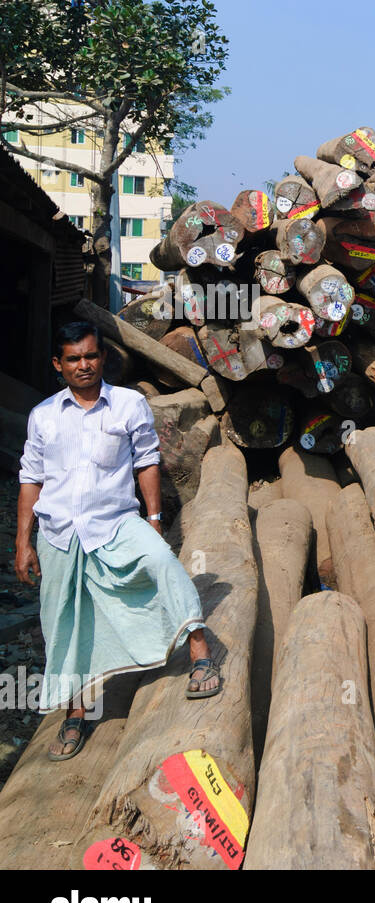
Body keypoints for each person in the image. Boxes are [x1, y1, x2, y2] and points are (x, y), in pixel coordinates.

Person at [14, 320, 221, 762]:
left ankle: (200, 650)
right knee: (63, 620)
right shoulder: (44, 416)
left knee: (161, 564)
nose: (84, 365)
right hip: (59, 532)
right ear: (58, 364)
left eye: (91, 355)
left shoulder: (128, 405)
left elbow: (146, 461)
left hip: (115, 522)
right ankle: (76, 712)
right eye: (73, 359)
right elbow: (30, 479)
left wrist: (153, 518)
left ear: (103, 357)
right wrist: (23, 541)